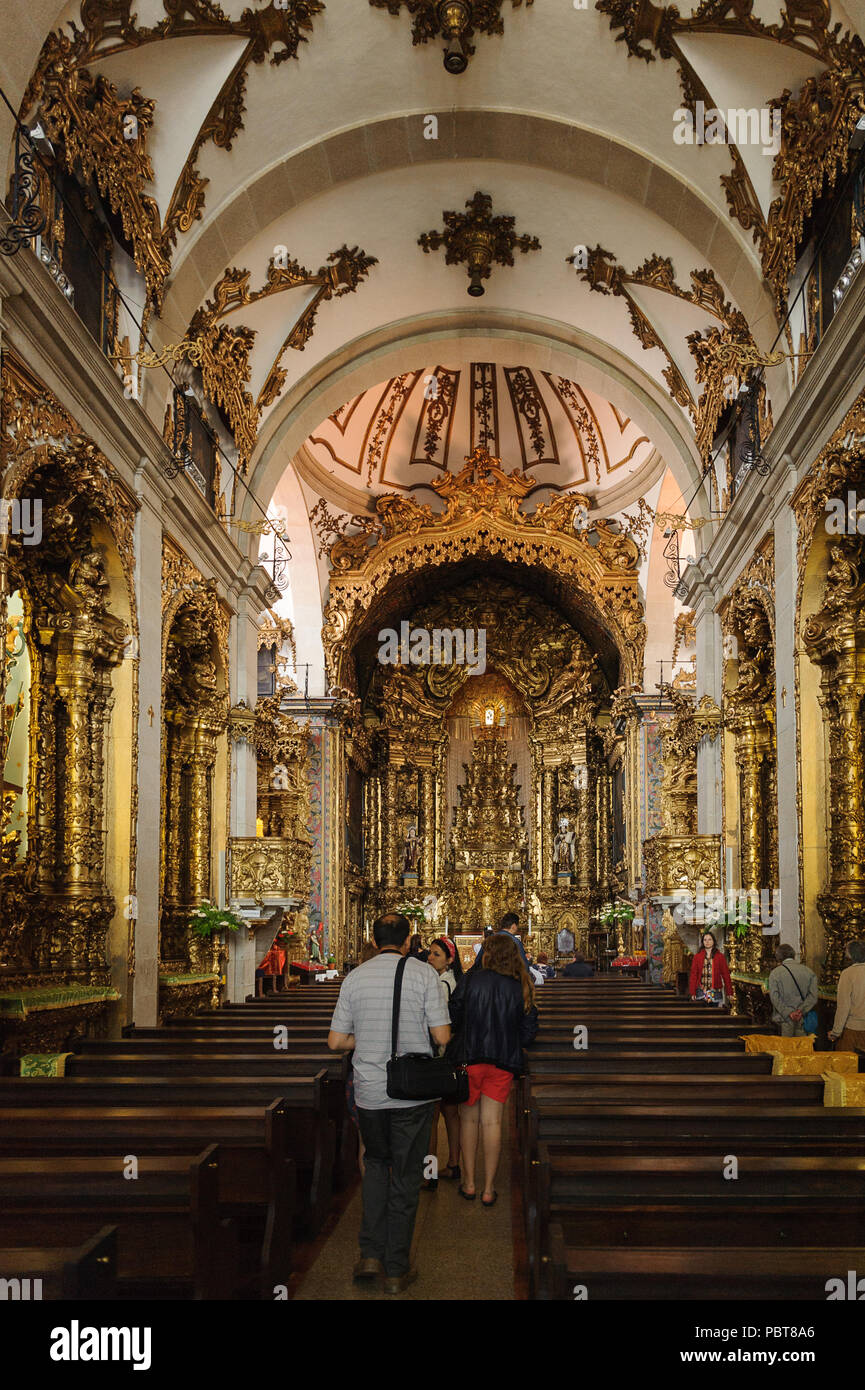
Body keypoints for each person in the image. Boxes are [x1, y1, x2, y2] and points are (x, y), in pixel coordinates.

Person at [328, 912, 450, 1293]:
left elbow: (335, 1042)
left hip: (369, 1093)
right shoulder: (423, 974)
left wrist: (367, 1042)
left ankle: (369, 1254)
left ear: (373, 936)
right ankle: (396, 1268)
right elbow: (442, 1035)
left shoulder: (355, 977)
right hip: (411, 1095)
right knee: (408, 1176)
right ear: (408, 938)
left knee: (376, 1166)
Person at [448, 933, 539, 1206]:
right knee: (492, 1122)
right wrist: (511, 1042)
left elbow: (452, 1015)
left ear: (485, 955)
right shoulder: (520, 984)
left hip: (470, 1058)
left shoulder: (470, 980)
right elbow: (529, 1030)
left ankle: (470, 1183)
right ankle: (489, 1188)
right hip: (502, 1061)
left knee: (469, 1120)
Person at [423, 936, 463, 1188]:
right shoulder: (451, 981)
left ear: (449, 960)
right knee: (451, 1112)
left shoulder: (441, 984)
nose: (429, 958)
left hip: (439, 1055)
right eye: (430, 953)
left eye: (436, 954)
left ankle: (429, 1175)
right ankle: (454, 1164)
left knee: (431, 1117)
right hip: (450, 1054)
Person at [768, 943, 819, 1037]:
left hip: (784, 1020)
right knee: (802, 1047)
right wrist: (800, 1011)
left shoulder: (775, 973)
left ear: (778, 957)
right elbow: (813, 996)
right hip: (803, 1018)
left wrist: (789, 1013)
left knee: (786, 1049)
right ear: (793, 954)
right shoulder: (809, 972)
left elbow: (775, 997)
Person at [829, 939, 865, 1052]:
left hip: (853, 1029)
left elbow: (843, 1007)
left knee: (846, 1066)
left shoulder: (848, 974)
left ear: (850, 954)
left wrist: (835, 1032)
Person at [688, 930, 732, 1006]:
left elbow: (726, 975)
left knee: (714, 1015)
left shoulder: (720, 957)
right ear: (702, 942)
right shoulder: (697, 957)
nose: (707, 942)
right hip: (701, 991)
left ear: (713, 941)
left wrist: (729, 992)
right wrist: (692, 992)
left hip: (715, 992)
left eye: (709, 939)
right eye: (705, 940)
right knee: (701, 1015)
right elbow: (693, 976)